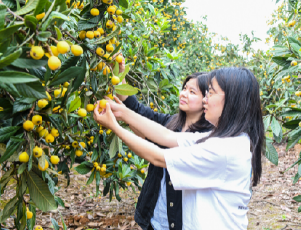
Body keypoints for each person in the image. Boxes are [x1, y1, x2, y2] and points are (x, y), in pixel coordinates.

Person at [94, 67, 265, 230]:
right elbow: (167, 136)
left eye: (210, 93)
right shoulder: (228, 139)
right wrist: (122, 112)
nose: (205, 99)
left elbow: (159, 157)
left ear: (231, 101)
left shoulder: (223, 150)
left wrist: (115, 126)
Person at [109, 54, 213, 230]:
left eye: (192, 92)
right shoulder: (170, 123)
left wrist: (115, 125)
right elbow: (137, 111)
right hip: (155, 218)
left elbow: (160, 157)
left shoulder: (208, 137)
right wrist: (119, 77)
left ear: (206, 99)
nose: (184, 94)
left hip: (183, 223)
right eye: (184, 88)